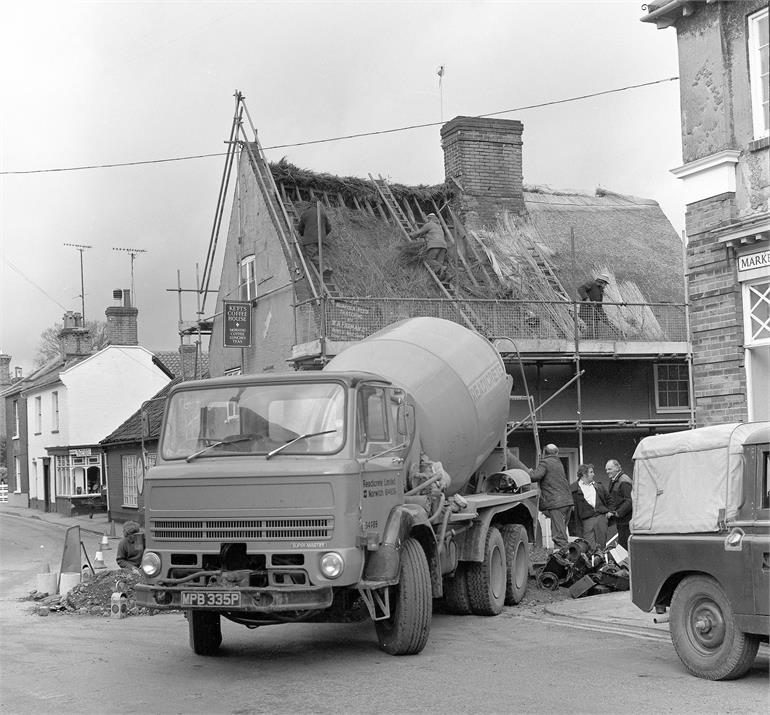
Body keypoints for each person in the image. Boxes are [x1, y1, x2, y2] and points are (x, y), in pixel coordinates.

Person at [530, 443, 573, 550]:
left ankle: (562, 558)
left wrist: (528, 473)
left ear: (545, 452)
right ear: (557, 453)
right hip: (567, 502)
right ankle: (563, 555)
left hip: (556, 503)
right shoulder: (558, 463)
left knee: (559, 535)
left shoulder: (545, 462)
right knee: (561, 531)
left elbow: (536, 476)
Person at [571, 464, 610, 550]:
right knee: (589, 546)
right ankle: (591, 563)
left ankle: (602, 562)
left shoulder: (598, 486)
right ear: (584, 474)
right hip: (586, 521)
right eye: (591, 472)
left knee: (602, 546)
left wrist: (610, 511)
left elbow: (609, 499)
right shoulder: (574, 488)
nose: (594, 474)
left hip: (601, 518)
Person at [409, 213, 448, 281]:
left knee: (428, 259)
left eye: (427, 219)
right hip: (444, 246)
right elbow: (432, 234)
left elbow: (419, 232)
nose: (426, 221)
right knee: (438, 263)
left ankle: (442, 268)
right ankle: (447, 276)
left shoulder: (429, 224)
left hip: (435, 244)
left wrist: (411, 235)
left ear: (430, 218)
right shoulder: (439, 227)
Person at [297, 200, 332, 276]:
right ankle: (328, 267)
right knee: (322, 254)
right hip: (321, 239)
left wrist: (302, 234)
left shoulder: (306, 213)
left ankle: (323, 268)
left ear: (310, 204)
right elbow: (329, 228)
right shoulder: (322, 213)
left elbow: (300, 227)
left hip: (310, 239)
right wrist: (323, 236)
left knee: (313, 254)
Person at [605, 459, 633, 550]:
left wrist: (617, 513)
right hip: (621, 520)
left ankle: (626, 564)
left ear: (617, 468)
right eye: (606, 470)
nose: (607, 472)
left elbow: (629, 500)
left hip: (627, 521)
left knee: (625, 547)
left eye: (609, 469)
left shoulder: (624, 480)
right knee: (622, 546)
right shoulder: (614, 480)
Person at [577, 273, 614, 338]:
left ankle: (593, 342)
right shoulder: (591, 284)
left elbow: (599, 306)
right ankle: (580, 341)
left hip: (594, 314)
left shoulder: (600, 291)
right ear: (601, 282)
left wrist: (604, 316)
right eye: (605, 284)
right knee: (592, 326)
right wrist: (587, 299)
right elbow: (581, 289)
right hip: (586, 312)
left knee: (596, 331)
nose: (605, 286)